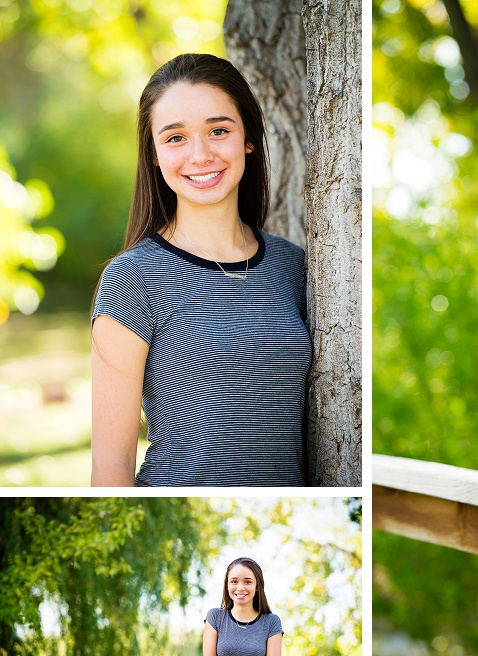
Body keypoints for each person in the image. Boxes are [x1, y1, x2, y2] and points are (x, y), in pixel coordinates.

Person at [91, 53, 312, 486]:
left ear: (248, 137)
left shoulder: (293, 266)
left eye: (218, 130)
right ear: (153, 154)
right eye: (175, 138)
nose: (200, 154)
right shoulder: (131, 279)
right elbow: (111, 466)